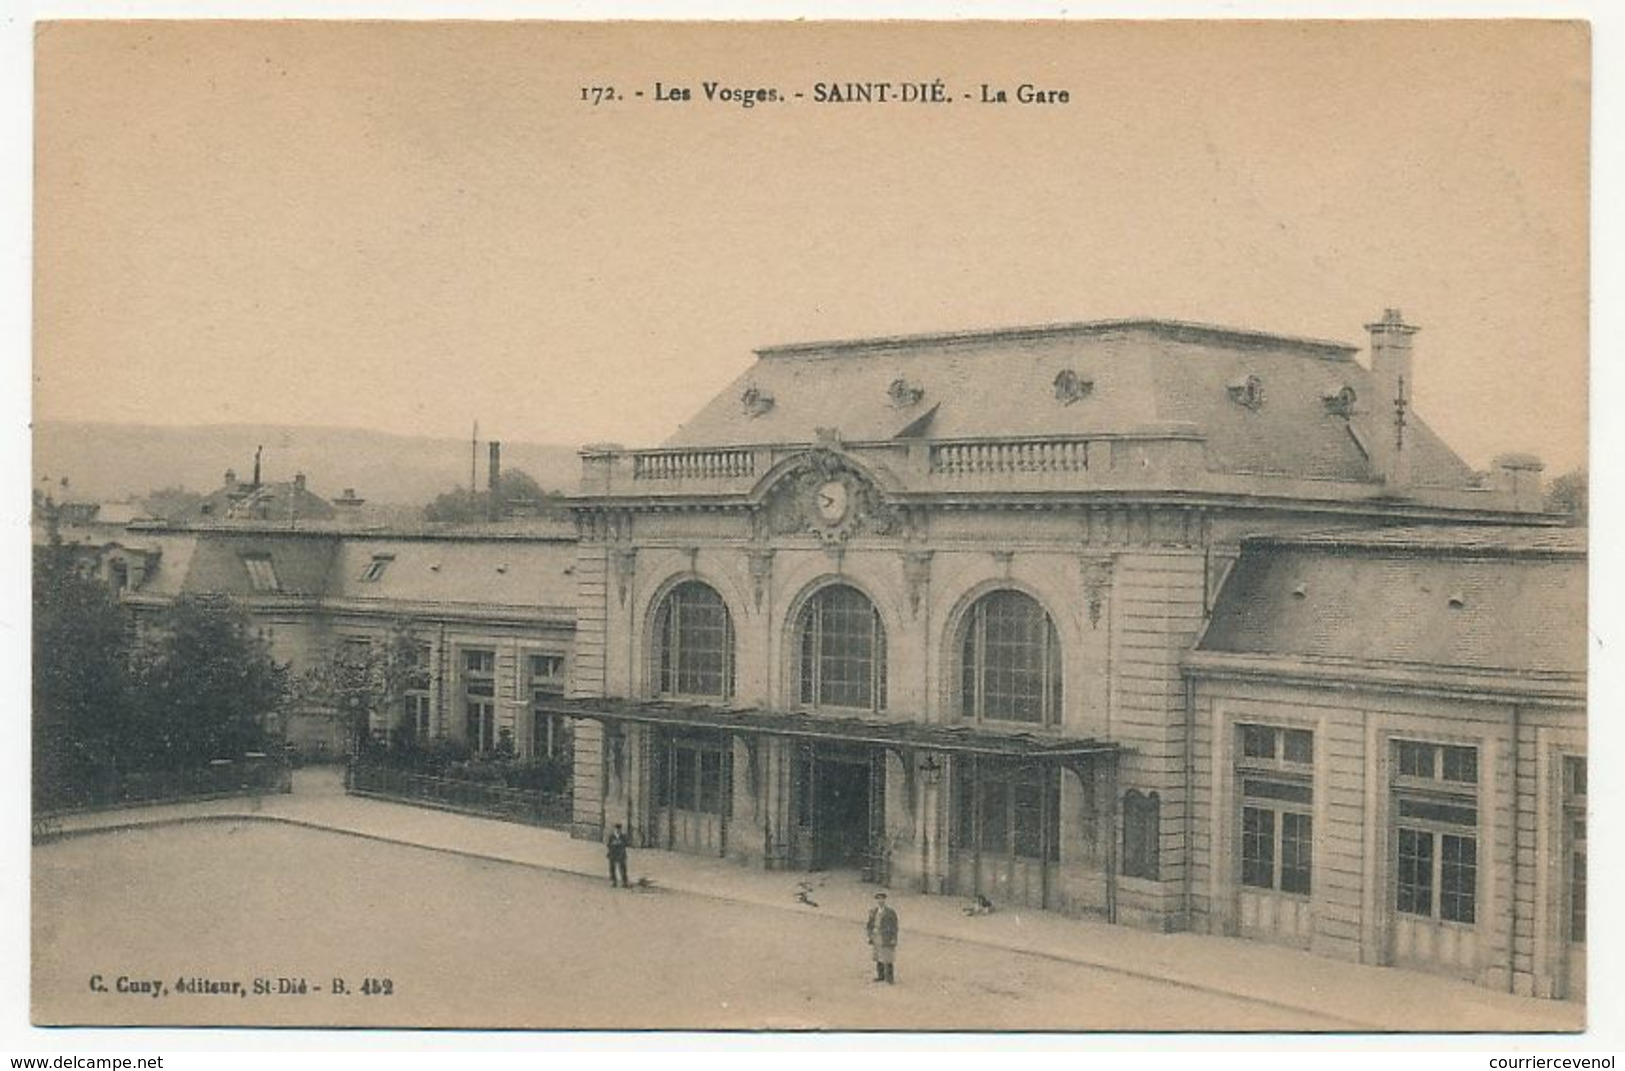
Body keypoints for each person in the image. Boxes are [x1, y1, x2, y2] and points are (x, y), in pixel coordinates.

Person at [865, 891, 899, 984]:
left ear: (885, 900)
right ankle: (881, 976)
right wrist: (870, 935)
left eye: (882, 899)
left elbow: (894, 926)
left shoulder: (890, 912)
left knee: (888, 957)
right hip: (876, 935)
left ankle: (890, 978)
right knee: (878, 956)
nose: (880, 901)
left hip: (886, 936)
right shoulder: (874, 911)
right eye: (878, 899)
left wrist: (894, 938)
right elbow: (869, 924)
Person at [606, 822, 630, 888]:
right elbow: (608, 845)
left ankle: (624, 882)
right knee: (612, 868)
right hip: (613, 853)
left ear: (620, 830)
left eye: (619, 829)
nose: (617, 831)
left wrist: (620, 845)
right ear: (614, 829)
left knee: (622, 868)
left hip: (621, 854)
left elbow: (625, 844)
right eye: (616, 829)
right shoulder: (611, 836)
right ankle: (613, 881)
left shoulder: (623, 837)